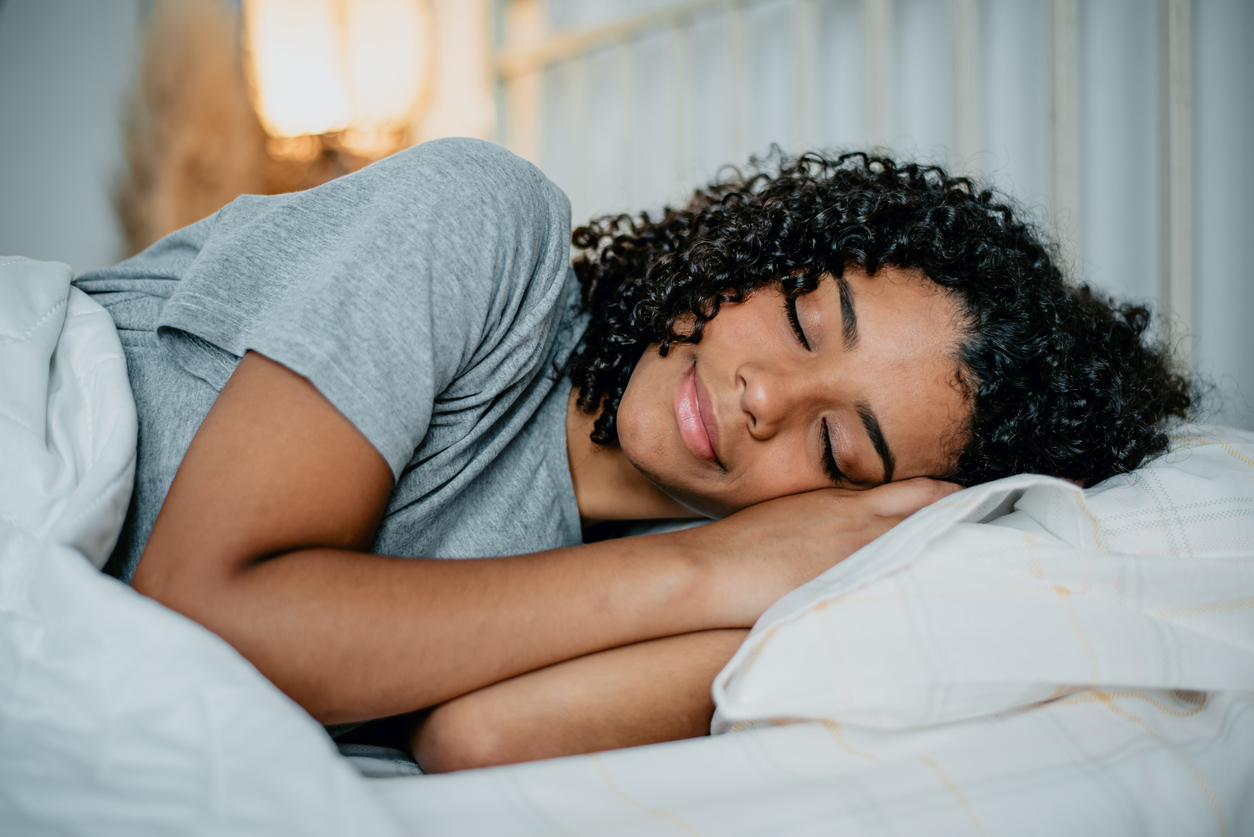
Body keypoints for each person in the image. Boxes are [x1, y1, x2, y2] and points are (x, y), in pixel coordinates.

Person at [75, 137, 1192, 773]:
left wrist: (764, 578)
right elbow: (199, 617)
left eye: (838, 446)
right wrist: (705, 571)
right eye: (805, 321)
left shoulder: (713, 577)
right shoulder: (486, 227)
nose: (766, 397)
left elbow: (483, 740)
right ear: (760, 256)